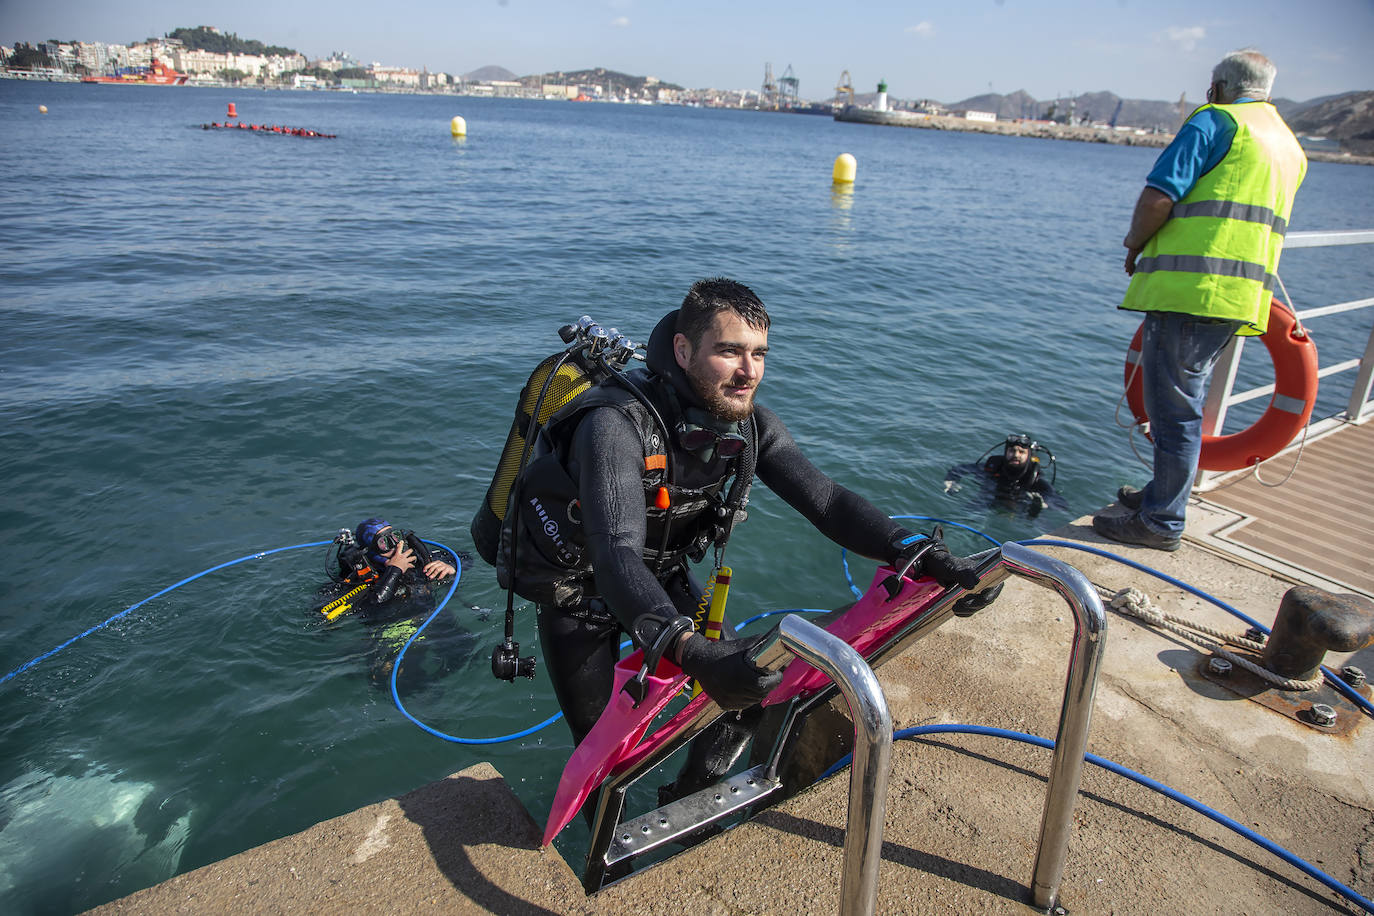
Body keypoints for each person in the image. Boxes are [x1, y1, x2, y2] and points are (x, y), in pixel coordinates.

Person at [500, 278, 988, 800]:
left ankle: (684, 803)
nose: (748, 371)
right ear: (684, 351)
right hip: (578, 590)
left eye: (759, 354)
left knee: (746, 699)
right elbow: (614, 550)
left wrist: (910, 548)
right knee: (603, 752)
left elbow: (826, 500)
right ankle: (600, 851)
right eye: (729, 351)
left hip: (658, 572)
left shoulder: (750, 427)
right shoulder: (614, 426)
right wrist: (688, 649)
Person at [1094, 49, 1306, 552]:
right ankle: (1159, 497)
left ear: (1220, 86)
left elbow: (1159, 196)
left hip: (1192, 288)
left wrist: (1134, 244)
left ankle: (1161, 521)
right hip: (1241, 294)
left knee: (1174, 411)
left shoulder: (1216, 121)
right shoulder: (1287, 144)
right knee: (1185, 399)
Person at [944, 433, 1059, 516]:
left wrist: (1046, 502)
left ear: (1029, 455)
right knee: (964, 514)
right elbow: (962, 468)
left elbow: (1056, 499)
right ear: (1005, 452)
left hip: (1019, 506)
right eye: (1012, 451)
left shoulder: (1033, 478)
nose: (1016, 455)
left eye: (1021, 452)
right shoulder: (995, 466)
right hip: (988, 500)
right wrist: (951, 481)